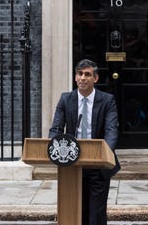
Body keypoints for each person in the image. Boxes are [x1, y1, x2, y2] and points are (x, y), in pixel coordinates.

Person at [49, 59, 120, 225]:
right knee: (75, 213)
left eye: (87, 74)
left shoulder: (107, 100)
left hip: (98, 165)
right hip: (72, 167)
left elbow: (112, 130)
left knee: (95, 215)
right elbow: (56, 129)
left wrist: (105, 154)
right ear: (75, 77)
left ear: (95, 78)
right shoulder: (66, 99)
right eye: (79, 74)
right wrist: (54, 148)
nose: (82, 78)